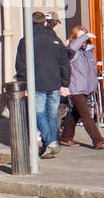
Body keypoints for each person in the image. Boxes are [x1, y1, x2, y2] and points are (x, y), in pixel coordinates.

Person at [14, 11, 71, 159]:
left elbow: (21, 65)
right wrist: (65, 83)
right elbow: (64, 63)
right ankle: (49, 145)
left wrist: (24, 84)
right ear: (44, 23)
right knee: (52, 115)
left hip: (36, 83)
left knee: (38, 113)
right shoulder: (55, 40)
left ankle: (51, 142)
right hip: (55, 82)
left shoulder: (26, 41)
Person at [60, 27, 104, 150]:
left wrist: (94, 85)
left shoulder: (89, 51)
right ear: (75, 38)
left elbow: (92, 69)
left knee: (76, 112)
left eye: (84, 36)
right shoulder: (71, 49)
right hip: (75, 87)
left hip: (87, 87)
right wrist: (84, 37)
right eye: (80, 37)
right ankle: (97, 140)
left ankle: (66, 137)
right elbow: (72, 47)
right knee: (86, 114)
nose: (83, 40)